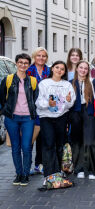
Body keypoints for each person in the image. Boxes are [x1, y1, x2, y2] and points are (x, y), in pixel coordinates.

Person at [0, 53, 38, 186]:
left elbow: (35, 99)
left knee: (26, 147)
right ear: (16, 63)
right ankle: (19, 173)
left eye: (26, 63)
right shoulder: (8, 79)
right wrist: (6, 111)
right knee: (15, 147)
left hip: (28, 118)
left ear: (28, 65)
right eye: (20, 62)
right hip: (12, 118)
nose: (23, 65)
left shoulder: (32, 81)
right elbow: (2, 98)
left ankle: (26, 174)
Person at [35, 61, 75, 184]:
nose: (59, 70)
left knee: (59, 145)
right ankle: (49, 174)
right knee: (48, 145)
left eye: (62, 69)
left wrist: (68, 101)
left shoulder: (67, 85)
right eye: (57, 67)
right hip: (46, 117)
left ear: (64, 72)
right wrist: (48, 104)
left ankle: (58, 172)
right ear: (52, 69)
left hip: (61, 117)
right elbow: (38, 102)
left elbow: (70, 103)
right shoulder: (44, 83)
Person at [70, 61, 95, 180]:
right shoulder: (70, 83)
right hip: (75, 112)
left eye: (85, 68)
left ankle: (91, 169)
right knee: (77, 142)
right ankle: (79, 168)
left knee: (90, 142)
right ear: (77, 69)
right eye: (81, 68)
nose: (83, 70)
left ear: (88, 70)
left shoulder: (94, 82)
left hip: (89, 112)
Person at [27, 47, 50, 175]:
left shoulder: (49, 71)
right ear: (34, 57)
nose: (41, 58)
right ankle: (27, 165)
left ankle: (38, 164)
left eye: (44, 56)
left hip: (45, 109)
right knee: (29, 139)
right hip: (30, 109)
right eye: (39, 55)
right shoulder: (28, 70)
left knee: (42, 139)